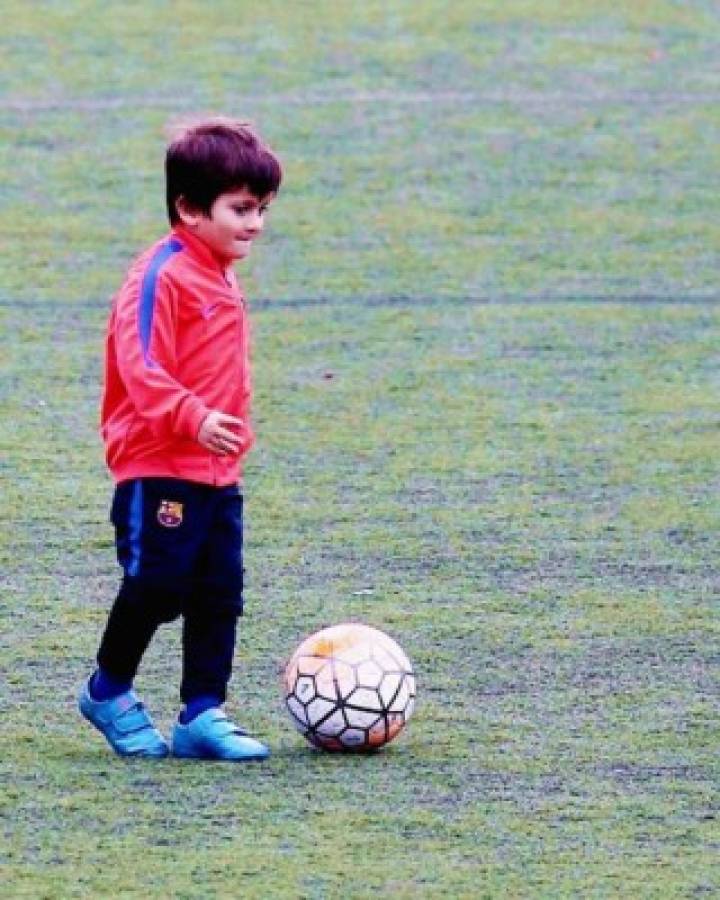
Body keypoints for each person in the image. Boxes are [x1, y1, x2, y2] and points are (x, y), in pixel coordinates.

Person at [79, 118, 282, 760]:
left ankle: (202, 711)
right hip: (158, 460)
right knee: (158, 583)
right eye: (241, 209)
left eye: (261, 210)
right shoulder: (159, 276)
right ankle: (108, 691)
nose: (254, 223)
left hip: (218, 470)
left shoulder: (220, 270)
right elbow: (141, 367)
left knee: (220, 591)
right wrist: (194, 418)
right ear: (190, 209)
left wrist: (223, 433)